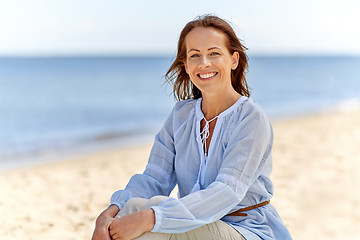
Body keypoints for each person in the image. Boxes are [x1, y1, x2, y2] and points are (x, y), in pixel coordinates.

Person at [92, 15, 292, 240]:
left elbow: (226, 192)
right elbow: (154, 179)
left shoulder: (250, 118)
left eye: (214, 53)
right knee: (135, 206)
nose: (204, 63)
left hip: (247, 230)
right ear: (186, 65)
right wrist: (111, 212)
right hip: (192, 225)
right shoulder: (181, 115)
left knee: (154, 214)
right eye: (195, 55)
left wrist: (153, 217)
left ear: (234, 60)